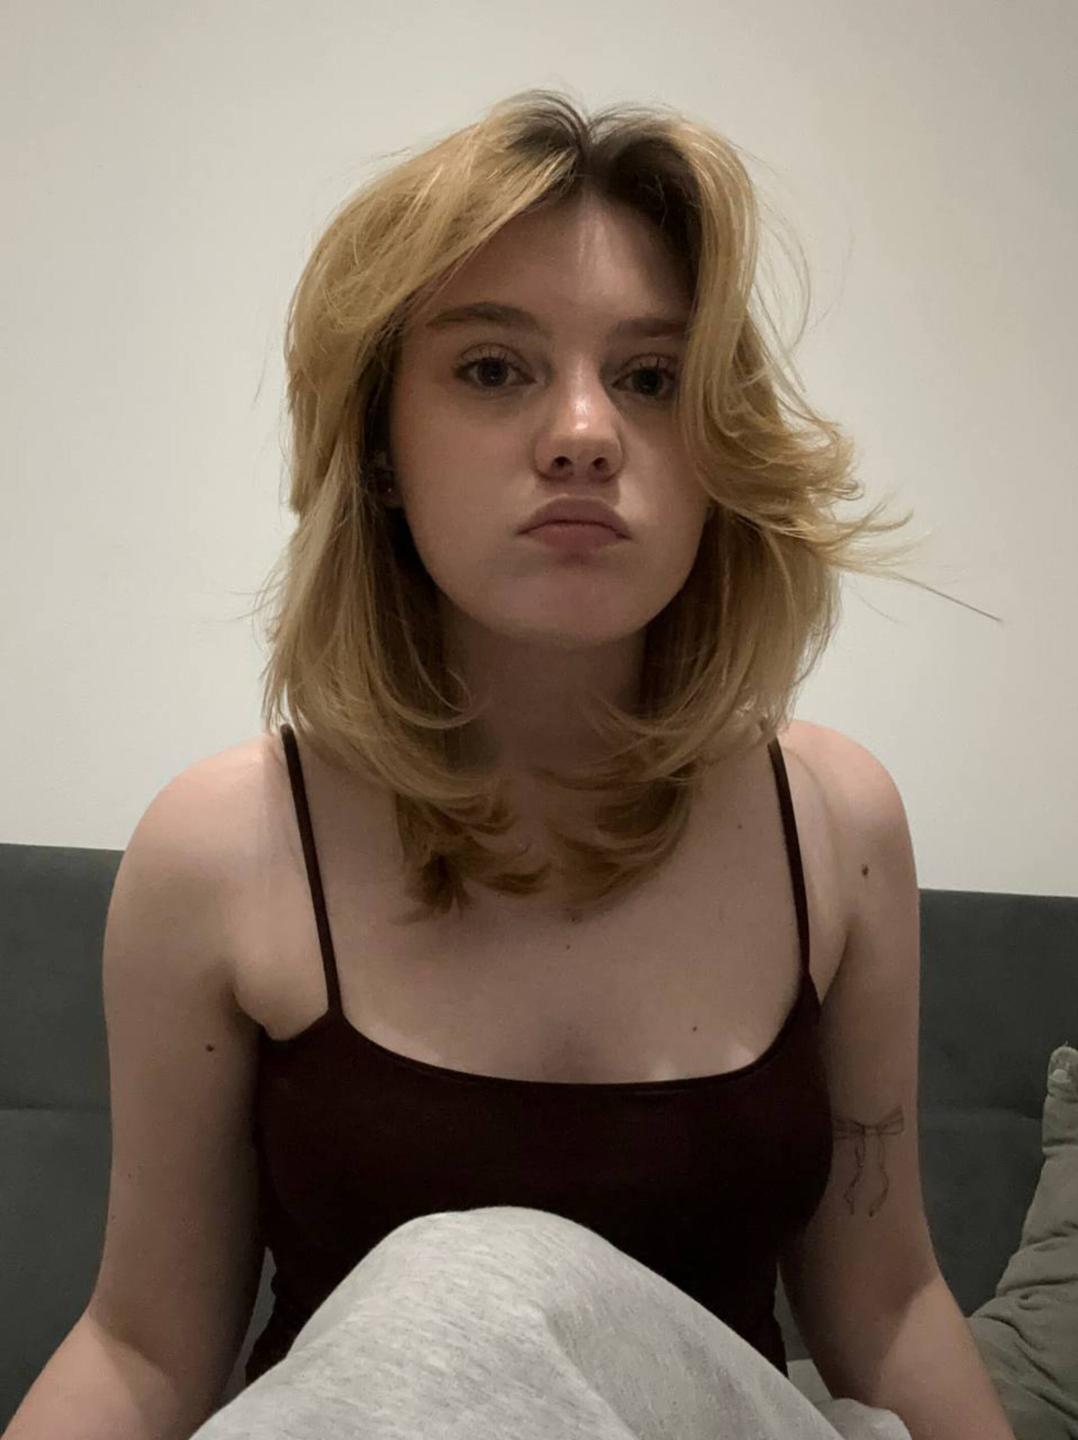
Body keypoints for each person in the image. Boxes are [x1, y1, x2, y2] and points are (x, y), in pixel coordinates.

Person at [9, 89, 1014, 1440]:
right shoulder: (222, 851)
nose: (585, 431)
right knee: (448, 1301)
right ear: (378, 449)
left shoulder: (835, 826)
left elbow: (886, 1310)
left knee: (474, 1280)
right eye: (493, 370)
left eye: (650, 379)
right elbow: (142, 1348)